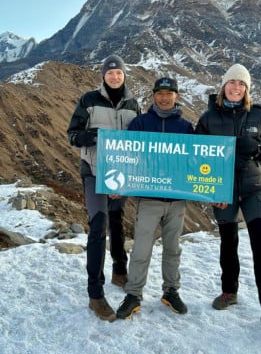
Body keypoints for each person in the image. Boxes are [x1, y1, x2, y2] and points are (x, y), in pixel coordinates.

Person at [195, 63, 261, 340]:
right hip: (221, 191)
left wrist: (260, 147)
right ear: (223, 86)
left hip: (253, 190)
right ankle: (229, 291)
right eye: (232, 83)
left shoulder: (259, 116)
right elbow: (198, 156)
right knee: (228, 243)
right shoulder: (208, 118)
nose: (236, 87)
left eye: (242, 84)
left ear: (247, 89)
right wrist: (213, 191)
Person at [67, 54, 141, 322]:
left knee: (118, 220)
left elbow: (139, 139)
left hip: (120, 173)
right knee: (99, 225)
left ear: (124, 75)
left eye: (118, 73)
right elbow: (73, 135)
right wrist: (94, 136)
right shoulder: (89, 101)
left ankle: (120, 271)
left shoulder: (132, 103)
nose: (114, 77)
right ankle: (95, 294)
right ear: (103, 76)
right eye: (110, 73)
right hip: (94, 171)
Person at [115, 77, 194, 319]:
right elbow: (126, 155)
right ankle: (134, 295)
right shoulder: (140, 123)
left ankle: (171, 291)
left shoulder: (186, 127)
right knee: (141, 248)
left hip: (176, 200)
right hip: (148, 198)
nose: (164, 97)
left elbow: (195, 160)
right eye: (159, 92)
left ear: (176, 96)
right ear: (154, 96)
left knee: (173, 248)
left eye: (169, 93)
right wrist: (121, 184)